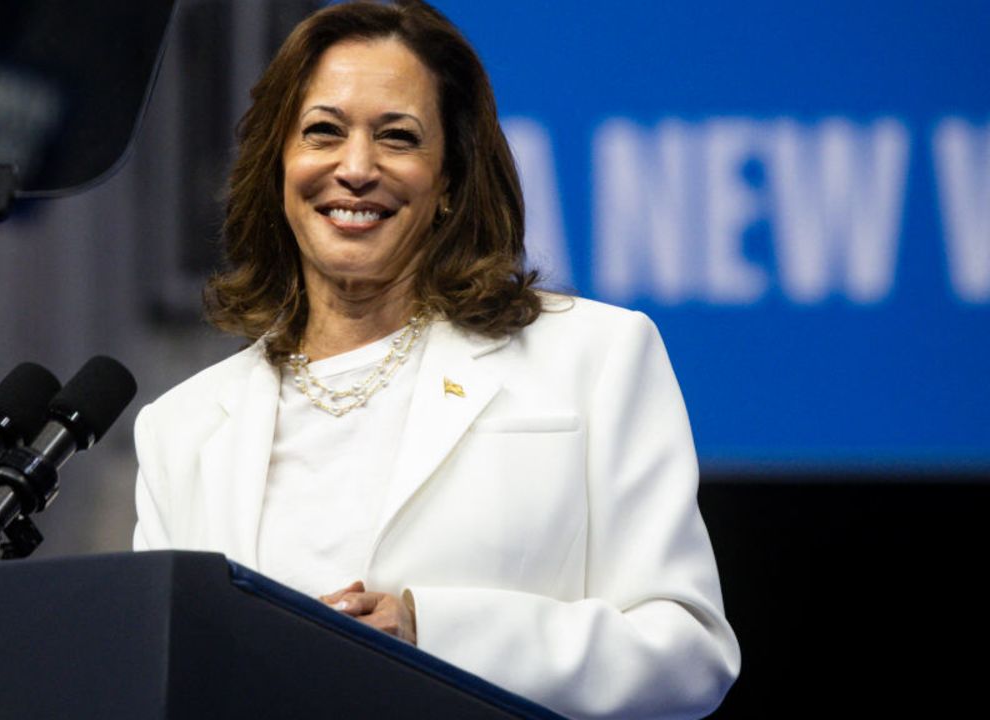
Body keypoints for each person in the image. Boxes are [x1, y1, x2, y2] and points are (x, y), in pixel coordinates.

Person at [132, 1, 740, 717]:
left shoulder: (595, 356)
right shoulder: (183, 428)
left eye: (398, 137)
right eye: (323, 132)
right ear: (278, 165)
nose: (355, 169)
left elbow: (689, 653)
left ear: (448, 178)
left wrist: (431, 630)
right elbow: (160, 686)